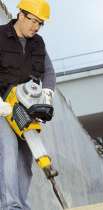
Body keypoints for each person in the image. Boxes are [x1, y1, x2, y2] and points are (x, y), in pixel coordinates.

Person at [0, 0, 56, 209]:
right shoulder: (0, 36)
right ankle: (9, 205)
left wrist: (48, 92)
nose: (36, 27)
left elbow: (49, 72)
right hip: (3, 106)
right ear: (21, 15)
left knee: (25, 161)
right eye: (33, 21)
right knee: (8, 152)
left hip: (27, 106)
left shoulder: (38, 43)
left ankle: (21, 204)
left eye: (40, 23)